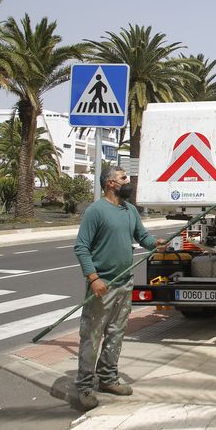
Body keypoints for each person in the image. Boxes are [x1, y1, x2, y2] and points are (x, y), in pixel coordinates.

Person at [72, 166, 165, 411]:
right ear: (111, 183)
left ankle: (108, 379)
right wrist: (93, 278)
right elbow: (81, 247)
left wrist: (155, 243)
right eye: (123, 178)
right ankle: (84, 386)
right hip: (102, 285)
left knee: (116, 333)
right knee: (92, 335)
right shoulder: (96, 211)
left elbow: (142, 237)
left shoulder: (130, 210)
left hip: (125, 283)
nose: (128, 181)